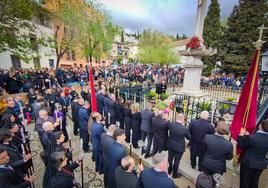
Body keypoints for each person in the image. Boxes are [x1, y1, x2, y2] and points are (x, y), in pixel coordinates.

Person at [238, 119, 268, 188]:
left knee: (244, 182)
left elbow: (241, 145)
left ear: (261, 126)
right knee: (254, 182)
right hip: (261, 164)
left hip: (248, 164)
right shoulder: (252, 137)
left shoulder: (253, 137)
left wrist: (241, 135)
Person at [167, 113, 191, 178]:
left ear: (176, 118)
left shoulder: (171, 124)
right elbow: (189, 137)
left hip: (171, 145)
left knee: (170, 158)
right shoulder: (184, 128)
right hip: (179, 147)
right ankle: (174, 174)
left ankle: (169, 170)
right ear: (183, 119)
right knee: (177, 161)